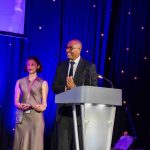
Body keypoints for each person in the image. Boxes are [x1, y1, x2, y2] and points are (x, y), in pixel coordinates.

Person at [52, 39, 98, 150]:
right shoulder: (61, 65)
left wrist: (75, 88)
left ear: (79, 49)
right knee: (63, 146)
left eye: (70, 48)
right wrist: (65, 88)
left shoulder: (88, 67)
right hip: (63, 113)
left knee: (78, 146)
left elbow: (93, 90)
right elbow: (54, 87)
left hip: (80, 114)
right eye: (66, 48)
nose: (67, 50)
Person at [13, 57, 48, 150]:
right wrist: (20, 105)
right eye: (28, 64)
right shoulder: (19, 82)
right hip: (22, 115)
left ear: (38, 66)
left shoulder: (43, 83)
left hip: (36, 116)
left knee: (35, 142)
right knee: (20, 140)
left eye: (33, 64)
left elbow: (44, 103)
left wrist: (42, 107)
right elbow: (16, 101)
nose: (30, 66)